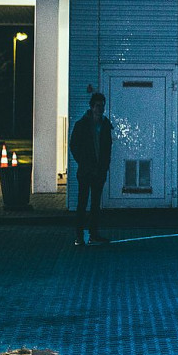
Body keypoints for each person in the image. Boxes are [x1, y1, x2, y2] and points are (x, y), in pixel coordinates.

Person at [70, 92, 113, 245]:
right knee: (83, 203)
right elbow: (74, 146)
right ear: (92, 107)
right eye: (98, 106)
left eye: (102, 106)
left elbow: (107, 148)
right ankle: (81, 235)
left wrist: (104, 166)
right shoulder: (83, 125)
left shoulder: (104, 125)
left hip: (97, 171)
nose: (100, 109)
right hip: (87, 170)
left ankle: (90, 234)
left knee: (94, 204)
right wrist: (84, 163)